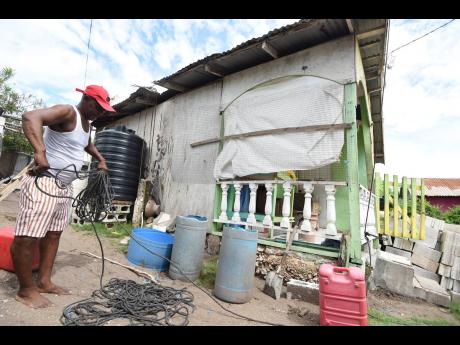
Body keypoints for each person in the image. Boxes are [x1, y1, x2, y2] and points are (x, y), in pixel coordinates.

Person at [10, 85, 116, 308]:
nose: (101, 112)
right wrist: (40, 152)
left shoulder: (87, 124)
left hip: (64, 186)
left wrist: (101, 159)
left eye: (104, 109)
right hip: (44, 182)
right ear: (86, 99)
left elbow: (86, 143)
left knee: (53, 235)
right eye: (98, 106)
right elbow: (30, 117)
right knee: (27, 237)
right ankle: (26, 290)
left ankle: (44, 281)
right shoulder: (68, 112)